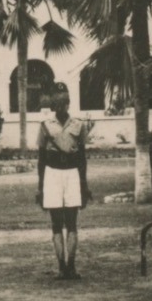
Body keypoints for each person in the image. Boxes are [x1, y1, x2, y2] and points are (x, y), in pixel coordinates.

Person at [36, 82, 94, 280]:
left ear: (69, 104)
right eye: (57, 103)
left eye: (64, 103)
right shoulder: (45, 126)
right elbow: (41, 159)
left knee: (72, 222)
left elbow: (82, 158)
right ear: (53, 105)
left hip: (72, 174)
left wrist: (84, 185)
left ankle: (71, 266)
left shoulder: (78, 125)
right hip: (52, 174)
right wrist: (40, 187)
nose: (61, 107)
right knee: (55, 222)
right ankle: (61, 266)